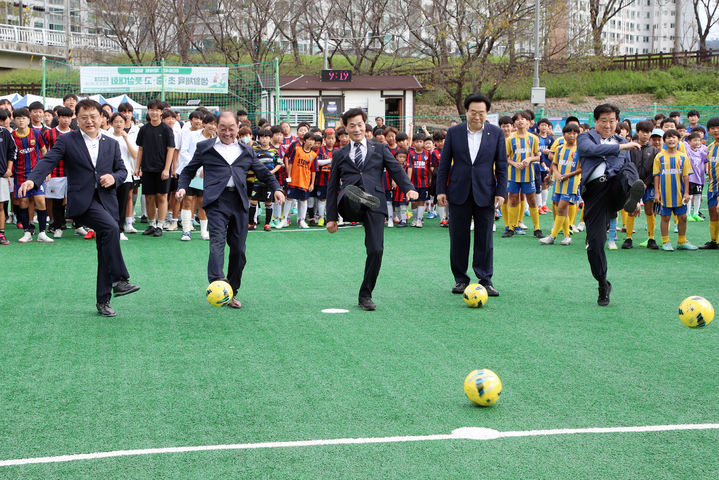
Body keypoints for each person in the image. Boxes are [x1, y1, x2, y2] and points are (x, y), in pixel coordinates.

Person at [17, 99, 139, 317]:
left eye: (93, 117)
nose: (89, 121)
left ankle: (103, 301)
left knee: (106, 249)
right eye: (84, 118)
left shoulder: (111, 143)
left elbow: (122, 171)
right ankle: (120, 279)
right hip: (82, 203)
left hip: (107, 202)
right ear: (77, 119)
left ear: (102, 118)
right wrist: (33, 180)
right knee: (112, 229)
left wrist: (113, 177)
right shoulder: (67, 141)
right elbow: (48, 160)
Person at [176, 112, 285, 309]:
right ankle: (218, 283)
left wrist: (276, 188)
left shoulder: (247, 150)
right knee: (217, 241)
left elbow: (263, 173)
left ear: (238, 127)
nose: (227, 132)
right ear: (216, 127)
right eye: (223, 128)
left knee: (239, 251)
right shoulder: (205, 148)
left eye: (231, 128)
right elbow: (188, 170)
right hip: (216, 201)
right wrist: (182, 187)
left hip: (239, 201)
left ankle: (232, 290)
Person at [326, 107, 418, 311]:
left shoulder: (380, 148)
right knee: (350, 191)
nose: (356, 129)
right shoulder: (340, 154)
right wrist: (331, 218)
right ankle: (358, 196)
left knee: (376, 250)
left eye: (360, 125)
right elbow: (332, 187)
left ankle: (365, 295)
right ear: (346, 128)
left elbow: (395, 169)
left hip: (374, 202)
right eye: (352, 126)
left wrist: (409, 189)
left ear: (364, 126)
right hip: (349, 203)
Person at [436, 92, 507, 297]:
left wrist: (501, 191)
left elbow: (501, 166)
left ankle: (485, 279)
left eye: (481, 113)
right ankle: (460, 279)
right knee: (458, 237)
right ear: (466, 112)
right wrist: (441, 189)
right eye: (473, 112)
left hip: (486, 193)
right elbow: (444, 164)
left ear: (487, 113)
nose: (477, 116)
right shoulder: (454, 133)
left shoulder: (496, 134)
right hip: (458, 192)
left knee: (485, 238)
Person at [576, 103, 644, 306]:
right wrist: (622, 146)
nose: (608, 125)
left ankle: (632, 195)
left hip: (616, 187)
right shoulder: (586, 137)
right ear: (595, 121)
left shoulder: (623, 142)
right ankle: (603, 284)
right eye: (603, 121)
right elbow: (590, 150)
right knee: (595, 244)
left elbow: (629, 168)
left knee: (627, 169)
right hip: (595, 194)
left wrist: (637, 198)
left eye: (612, 121)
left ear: (617, 122)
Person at [134, 99, 175, 236]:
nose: (154, 112)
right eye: (151, 109)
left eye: (157, 110)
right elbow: (140, 149)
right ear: (148, 111)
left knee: (162, 197)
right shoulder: (144, 129)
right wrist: (137, 167)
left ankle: (160, 226)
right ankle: (152, 224)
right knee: (149, 197)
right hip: (147, 169)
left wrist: (166, 169)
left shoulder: (166, 130)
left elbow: (171, 149)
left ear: (162, 112)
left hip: (162, 169)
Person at [654, 129, 696, 251]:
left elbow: (686, 176)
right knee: (665, 218)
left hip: (680, 194)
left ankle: (682, 241)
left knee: (682, 217)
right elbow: (656, 175)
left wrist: (687, 192)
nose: (671, 139)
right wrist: (657, 192)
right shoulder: (659, 157)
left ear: (678, 140)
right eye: (668, 137)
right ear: (664, 141)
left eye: (674, 137)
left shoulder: (683, 157)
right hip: (664, 195)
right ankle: (665, 241)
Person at [540, 123, 581, 246]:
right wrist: (555, 174)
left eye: (574, 133)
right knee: (562, 209)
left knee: (561, 208)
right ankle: (567, 236)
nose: (572, 135)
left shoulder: (580, 150)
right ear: (564, 134)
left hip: (571, 183)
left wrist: (568, 175)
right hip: (559, 182)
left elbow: (582, 168)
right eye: (569, 133)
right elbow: (555, 163)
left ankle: (552, 236)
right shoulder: (559, 149)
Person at [625, 120, 660, 249]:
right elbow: (628, 166)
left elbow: (655, 169)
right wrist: (635, 182)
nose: (645, 135)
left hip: (649, 185)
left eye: (648, 132)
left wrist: (645, 183)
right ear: (637, 132)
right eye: (643, 132)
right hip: (632, 185)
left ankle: (651, 238)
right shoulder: (631, 148)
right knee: (631, 210)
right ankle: (628, 238)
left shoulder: (654, 150)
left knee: (650, 210)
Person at [700, 117, 719, 249]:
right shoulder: (710, 147)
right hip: (712, 186)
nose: (716, 131)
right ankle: (714, 240)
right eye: (713, 128)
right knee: (712, 212)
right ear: (709, 131)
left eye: (718, 128)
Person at [0, 119, 16, 245]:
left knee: (0, 206)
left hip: (1, 175)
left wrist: (9, 169)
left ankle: (1, 234)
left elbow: (12, 151)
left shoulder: (4, 132)